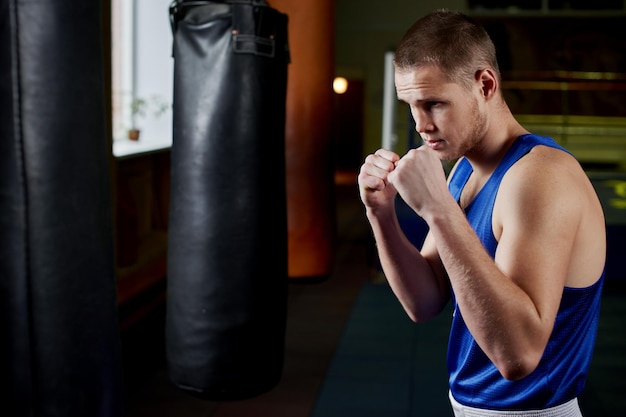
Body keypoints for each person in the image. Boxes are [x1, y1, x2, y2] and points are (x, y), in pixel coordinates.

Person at [357, 9, 606, 416]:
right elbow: (425, 302)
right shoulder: (463, 170)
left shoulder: (541, 177)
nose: (421, 125)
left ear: (485, 85)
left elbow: (518, 356)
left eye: (434, 103)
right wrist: (380, 213)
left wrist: (438, 209)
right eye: (411, 105)